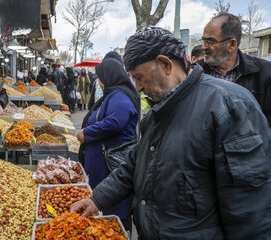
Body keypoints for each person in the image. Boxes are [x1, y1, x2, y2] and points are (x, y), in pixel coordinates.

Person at [71, 26, 271, 239]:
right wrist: (97, 199)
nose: (137, 87)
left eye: (139, 77)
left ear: (165, 64)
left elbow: (250, 208)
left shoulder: (228, 106)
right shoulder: (159, 110)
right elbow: (133, 165)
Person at [76, 51, 139, 232]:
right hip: (102, 163)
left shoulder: (120, 96)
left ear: (109, 77)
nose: (99, 82)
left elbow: (115, 122)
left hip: (110, 166)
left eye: (101, 77)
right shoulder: (113, 94)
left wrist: (87, 133)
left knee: (114, 212)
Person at [198, 12, 271, 126]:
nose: (203, 47)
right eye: (203, 41)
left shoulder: (265, 73)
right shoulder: (194, 72)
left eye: (210, 42)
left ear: (232, 44)